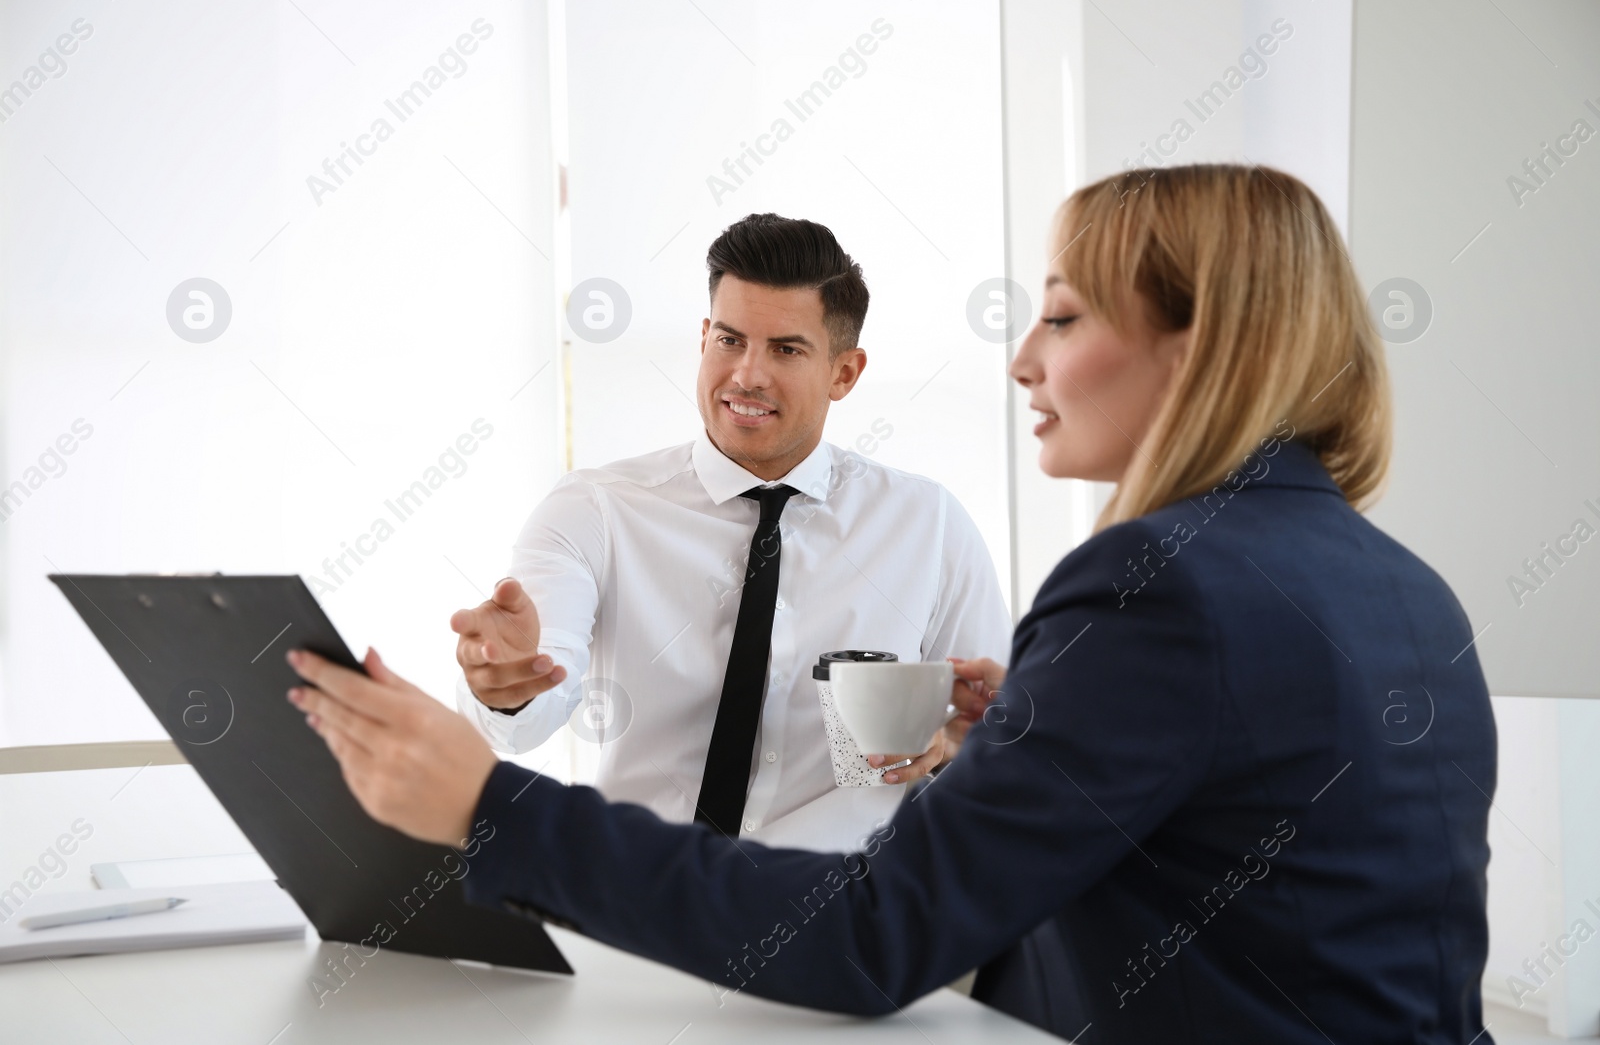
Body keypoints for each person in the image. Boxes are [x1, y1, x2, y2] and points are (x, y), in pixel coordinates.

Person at [287, 164, 1496, 1043]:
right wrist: (1020, 748)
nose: (1023, 358)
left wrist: (495, 810)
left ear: (1200, 350)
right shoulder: (1403, 583)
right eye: (722, 336)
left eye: (1064, 317)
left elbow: (880, 936)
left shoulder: (1151, 582)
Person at [448, 212, 1011, 852]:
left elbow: (993, 745)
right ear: (704, 339)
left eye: (787, 349)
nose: (747, 375)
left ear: (845, 373)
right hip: (644, 900)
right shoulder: (596, 510)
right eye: (730, 340)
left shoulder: (929, 525)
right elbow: (528, 713)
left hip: (843, 913)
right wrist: (507, 685)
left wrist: (948, 749)